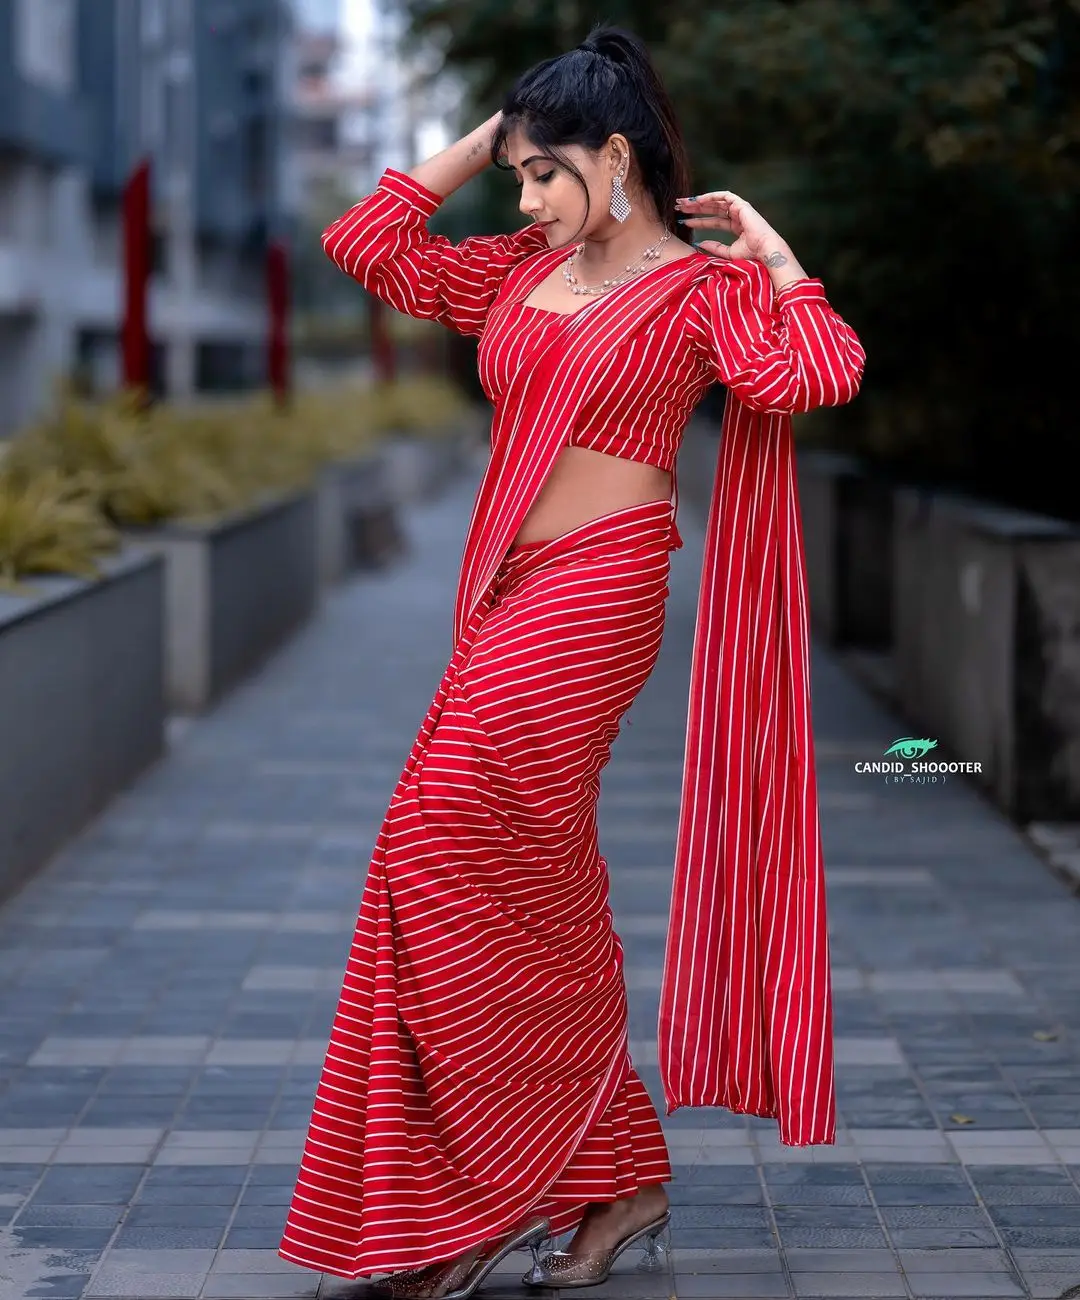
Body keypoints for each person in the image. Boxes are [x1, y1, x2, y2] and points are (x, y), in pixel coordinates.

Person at [278, 23, 864, 1300]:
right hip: (504, 588)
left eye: (547, 172)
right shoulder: (511, 269)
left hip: (602, 586)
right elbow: (364, 243)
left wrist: (772, 256)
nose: (530, 199)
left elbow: (817, 373)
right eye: (518, 175)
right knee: (514, 878)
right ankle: (611, 1173)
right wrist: (495, 132)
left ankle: (487, 1198)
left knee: (442, 845)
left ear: (616, 156)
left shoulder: (703, 292)